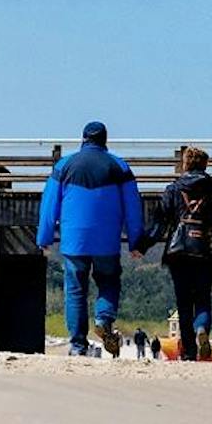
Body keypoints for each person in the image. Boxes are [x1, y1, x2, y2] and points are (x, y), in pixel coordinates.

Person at [36, 120, 145, 357]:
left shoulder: (64, 165)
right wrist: (136, 241)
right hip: (107, 240)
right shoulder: (120, 167)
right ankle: (104, 319)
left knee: (75, 290)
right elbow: (133, 207)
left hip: (74, 239)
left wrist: (44, 238)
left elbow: (49, 205)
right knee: (108, 281)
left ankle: (77, 346)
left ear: (83, 139)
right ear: (105, 140)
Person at [138, 145, 212, 361]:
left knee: (183, 303)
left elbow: (159, 224)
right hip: (204, 254)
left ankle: (189, 352)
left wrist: (142, 246)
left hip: (178, 253)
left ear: (184, 165)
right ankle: (202, 329)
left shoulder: (172, 190)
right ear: (205, 165)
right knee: (202, 298)